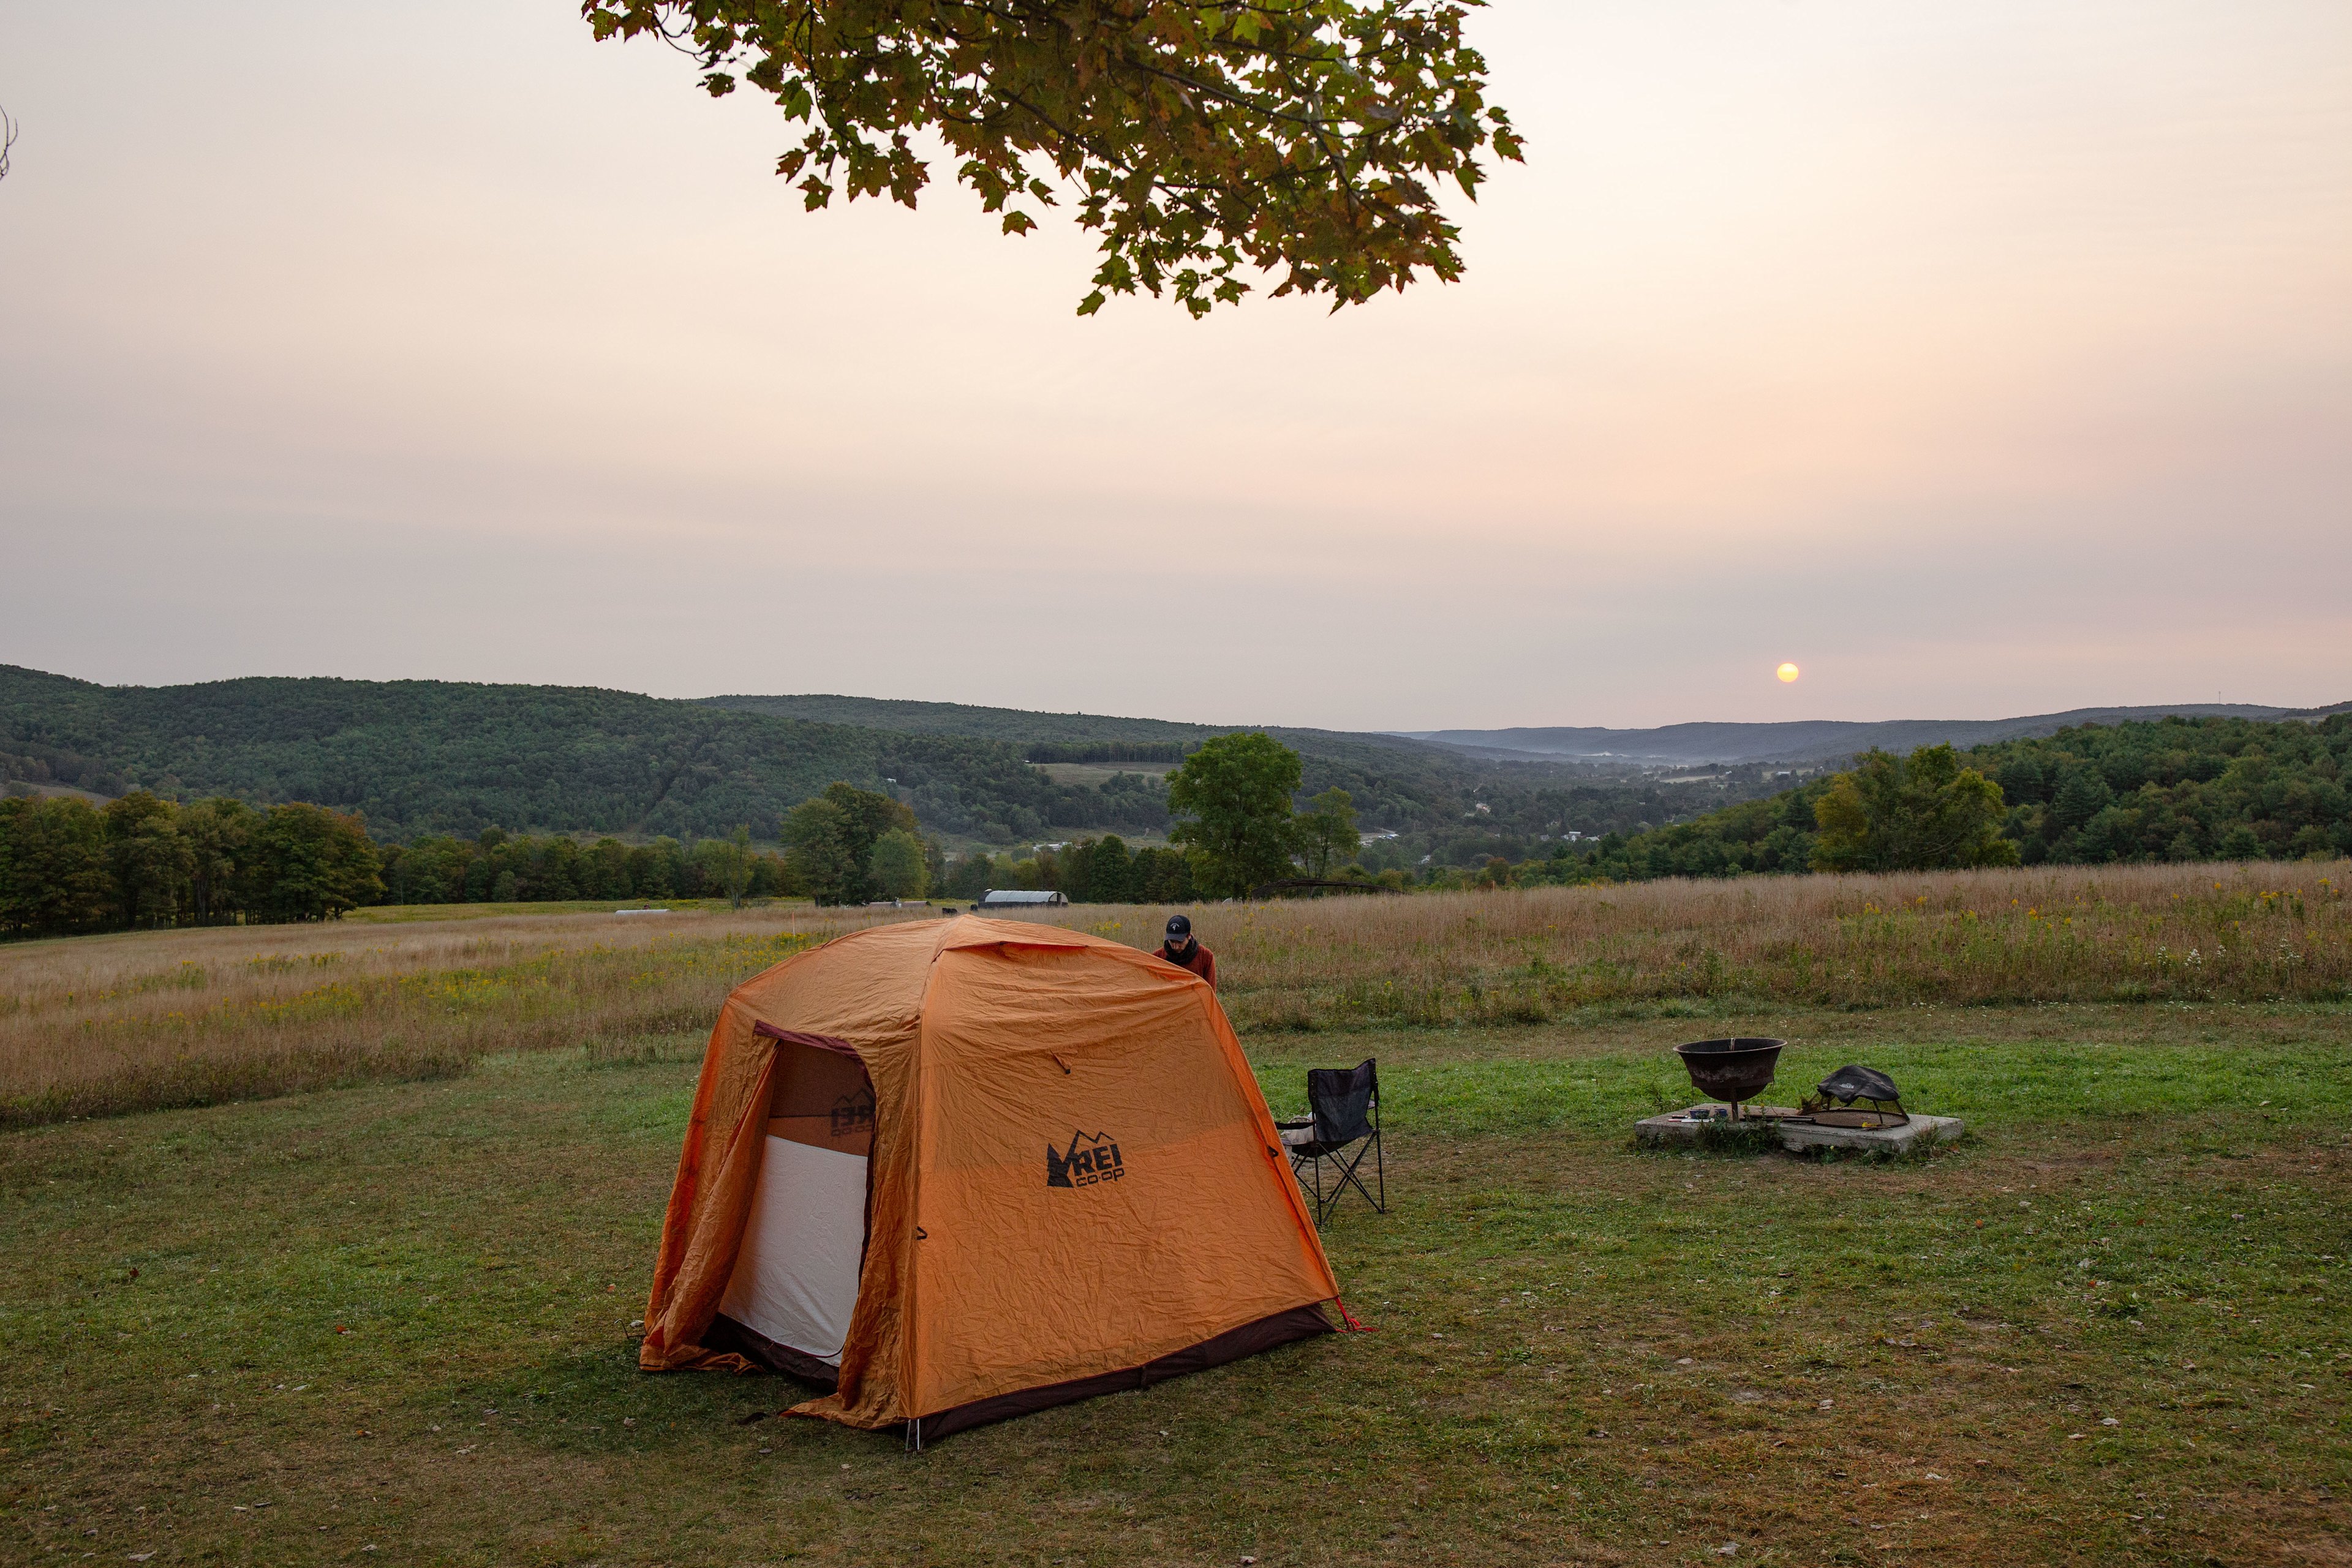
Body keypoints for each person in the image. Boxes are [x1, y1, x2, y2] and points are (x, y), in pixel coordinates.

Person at [1157, 914, 1216, 987]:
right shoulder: (1157, 957)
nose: (1175, 947)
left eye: (1180, 942)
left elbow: (1210, 991)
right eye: (1172, 941)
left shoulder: (1206, 956)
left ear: (1189, 936)